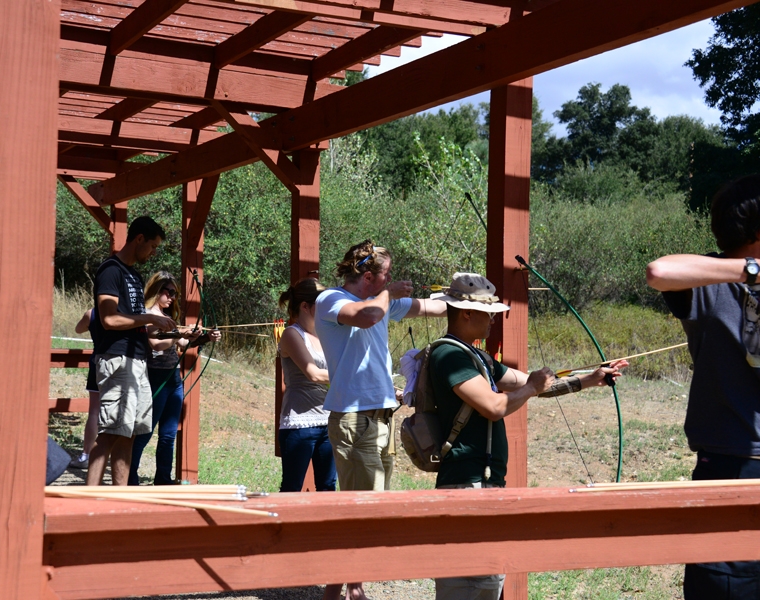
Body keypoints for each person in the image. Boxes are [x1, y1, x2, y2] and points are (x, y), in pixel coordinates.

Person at [429, 272, 627, 600]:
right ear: (466, 313)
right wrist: (533, 386)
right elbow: (494, 405)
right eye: (489, 313)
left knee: (486, 582)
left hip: (483, 485)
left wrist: (590, 379)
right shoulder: (448, 355)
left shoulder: (474, 355)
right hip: (467, 484)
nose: (494, 320)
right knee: (467, 585)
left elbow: (531, 385)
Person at [646, 174, 760, 600]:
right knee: (725, 585)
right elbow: (659, 271)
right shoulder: (712, 284)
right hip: (733, 464)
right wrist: (752, 271)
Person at [314, 240, 446, 600]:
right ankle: (353, 591)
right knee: (364, 513)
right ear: (369, 276)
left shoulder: (381, 301)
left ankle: (336, 592)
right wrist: (388, 293)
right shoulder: (331, 300)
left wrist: (467, 299)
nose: (394, 280)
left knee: (370, 510)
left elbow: (430, 307)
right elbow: (367, 315)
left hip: (381, 420)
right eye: (387, 275)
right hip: (355, 420)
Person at [86, 216, 177, 487]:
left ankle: (119, 495)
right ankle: (89, 497)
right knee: (111, 432)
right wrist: (151, 319)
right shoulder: (111, 270)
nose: (154, 252)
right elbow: (109, 320)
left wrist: (177, 333)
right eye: (152, 245)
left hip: (137, 362)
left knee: (130, 433)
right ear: (139, 239)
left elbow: (137, 324)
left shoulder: (134, 276)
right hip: (116, 359)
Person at [129, 271, 219, 485]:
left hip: (173, 381)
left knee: (168, 435)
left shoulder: (168, 318)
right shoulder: (148, 315)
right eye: (167, 292)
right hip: (155, 379)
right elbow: (156, 344)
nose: (171, 297)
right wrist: (180, 334)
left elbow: (183, 345)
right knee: (144, 432)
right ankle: (129, 478)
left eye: (175, 294)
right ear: (156, 291)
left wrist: (204, 337)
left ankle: (162, 479)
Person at [277, 278, 336, 493]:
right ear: (305, 306)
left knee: (328, 486)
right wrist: (349, 377)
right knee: (292, 487)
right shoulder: (292, 334)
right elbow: (313, 373)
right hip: (300, 425)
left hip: (328, 421)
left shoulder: (325, 336)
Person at [68, 307, 101, 470]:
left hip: (98, 361)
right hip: (122, 364)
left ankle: (87, 455)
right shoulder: (127, 312)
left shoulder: (92, 313)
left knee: (95, 411)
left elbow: (79, 329)